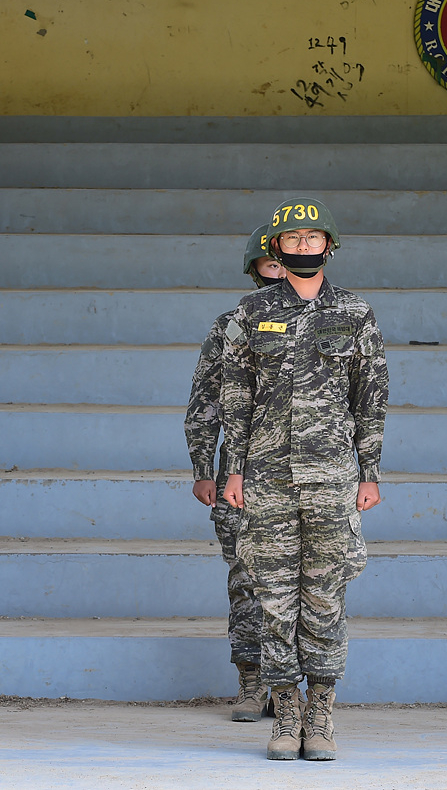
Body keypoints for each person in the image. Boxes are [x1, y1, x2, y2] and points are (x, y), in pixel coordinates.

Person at [221, 197, 388, 761]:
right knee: (274, 600)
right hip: (267, 480)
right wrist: (234, 471)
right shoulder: (249, 313)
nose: (302, 248)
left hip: (334, 476)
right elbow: (235, 399)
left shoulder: (356, 313)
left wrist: (370, 472)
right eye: (291, 241)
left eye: (312, 239)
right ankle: (285, 715)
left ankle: (321, 715)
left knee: (325, 598)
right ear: (276, 249)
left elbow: (372, 400)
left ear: (329, 246)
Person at [183, 223, 285, 721]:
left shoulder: (336, 316)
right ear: (255, 270)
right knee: (246, 579)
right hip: (240, 476)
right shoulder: (232, 325)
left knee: (307, 585)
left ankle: (297, 689)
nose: (281, 272)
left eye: (287, 261)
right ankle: (251, 681)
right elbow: (204, 400)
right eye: (271, 264)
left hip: (307, 475)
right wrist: (204, 467)